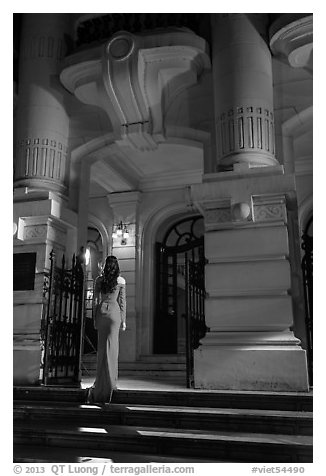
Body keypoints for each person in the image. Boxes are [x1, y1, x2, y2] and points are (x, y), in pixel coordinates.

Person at [86, 255, 126, 404]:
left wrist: (95, 319)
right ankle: (111, 383)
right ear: (116, 266)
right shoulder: (121, 281)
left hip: (102, 314)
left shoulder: (98, 280)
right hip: (114, 315)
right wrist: (123, 321)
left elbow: (95, 302)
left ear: (105, 266)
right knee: (113, 350)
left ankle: (101, 383)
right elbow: (122, 302)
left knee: (102, 350)